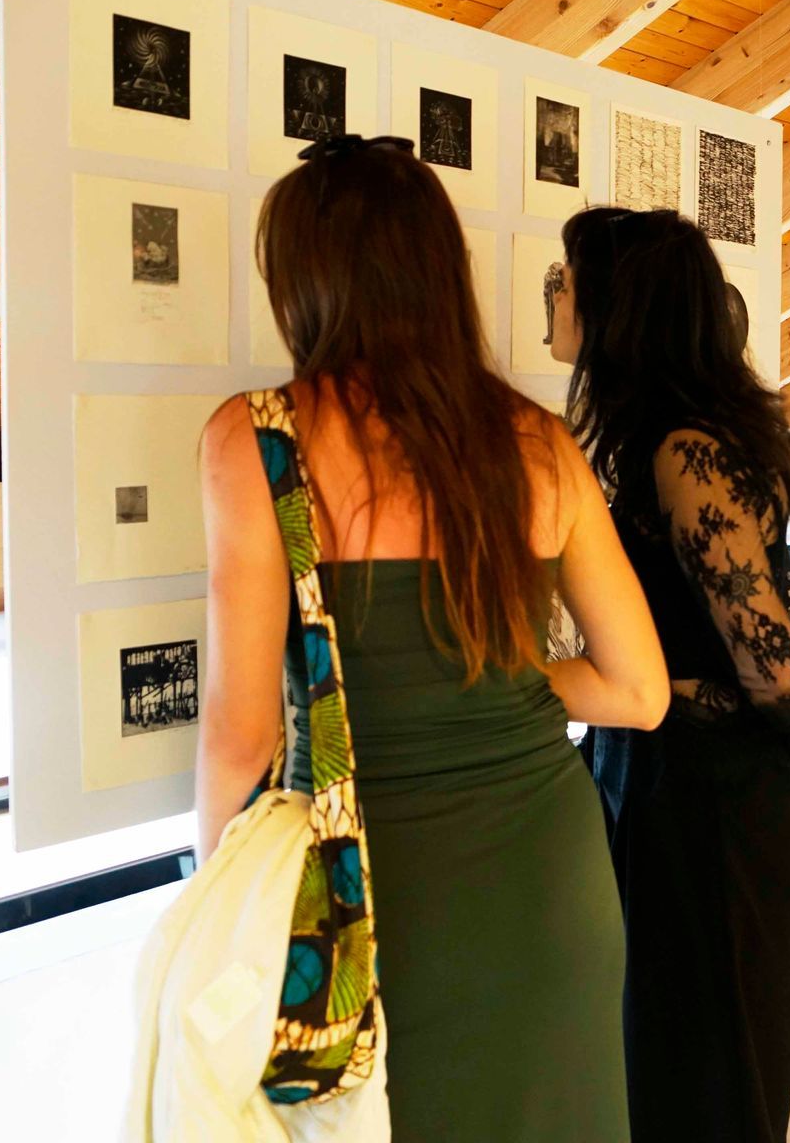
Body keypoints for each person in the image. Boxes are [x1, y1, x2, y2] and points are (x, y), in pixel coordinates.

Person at [195, 136, 668, 1138]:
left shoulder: (257, 439)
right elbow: (639, 691)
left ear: (308, 282)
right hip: (553, 886)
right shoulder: (540, 443)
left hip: (373, 896)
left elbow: (240, 740)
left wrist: (222, 926)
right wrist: (504, 676)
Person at [553, 206, 790, 1143]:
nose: (554, 296)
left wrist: (641, 689)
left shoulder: (685, 451)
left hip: (716, 823)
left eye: (565, 280)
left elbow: (781, 680)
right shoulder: (664, 441)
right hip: (673, 800)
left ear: (618, 307)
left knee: (707, 1097)